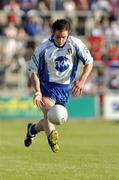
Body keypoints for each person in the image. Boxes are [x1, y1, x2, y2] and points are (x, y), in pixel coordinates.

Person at [24, 19, 93, 153]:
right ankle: (52, 139)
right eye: (58, 37)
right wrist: (38, 91)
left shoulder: (75, 44)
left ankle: (32, 130)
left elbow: (89, 62)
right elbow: (33, 72)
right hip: (47, 87)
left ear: (68, 34)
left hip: (65, 88)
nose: (61, 40)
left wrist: (82, 80)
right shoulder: (43, 49)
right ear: (53, 33)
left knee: (49, 119)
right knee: (52, 114)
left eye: (63, 37)